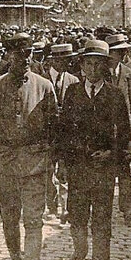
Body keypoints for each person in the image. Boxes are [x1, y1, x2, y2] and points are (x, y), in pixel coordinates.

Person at [0, 32, 58, 260]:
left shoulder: (45, 86)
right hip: (5, 162)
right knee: (9, 217)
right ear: (8, 56)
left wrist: (48, 159)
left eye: (29, 54)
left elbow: (53, 127)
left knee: (34, 221)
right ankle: (16, 258)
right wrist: (4, 145)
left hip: (35, 162)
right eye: (20, 55)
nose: (26, 59)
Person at [57, 39, 131, 260]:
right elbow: (63, 131)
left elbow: (125, 135)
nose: (93, 69)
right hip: (78, 169)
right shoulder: (73, 93)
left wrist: (111, 154)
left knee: (101, 224)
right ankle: (79, 252)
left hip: (103, 172)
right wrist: (63, 164)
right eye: (88, 63)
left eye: (98, 64)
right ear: (82, 66)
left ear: (106, 67)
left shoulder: (115, 95)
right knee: (77, 219)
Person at [45, 43, 79, 222]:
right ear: (54, 60)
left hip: (66, 133)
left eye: (68, 59)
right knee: (48, 170)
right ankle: (51, 206)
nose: (66, 63)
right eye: (63, 60)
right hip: (47, 133)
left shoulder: (73, 80)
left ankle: (65, 207)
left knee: (64, 169)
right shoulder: (42, 79)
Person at [105, 34, 131, 225]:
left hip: (123, 128)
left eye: (123, 51)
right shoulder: (101, 72)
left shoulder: (127, 72)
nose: (122, 54)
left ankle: (128, 209)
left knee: (125, 169)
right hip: (106, 129)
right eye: (118, 51)